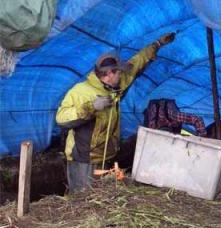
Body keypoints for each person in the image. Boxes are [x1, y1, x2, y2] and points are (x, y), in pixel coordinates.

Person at [56, 33, 175, 191]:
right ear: (108, 75)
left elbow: (135, 66)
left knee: (100, 197)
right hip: (85, 159)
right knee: (82, 200)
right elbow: (61, 118)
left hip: (107, 155)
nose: (122, 74)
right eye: (118, 72)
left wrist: (157, 45)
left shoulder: (114, 88)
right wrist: (90, 107)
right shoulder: (81, 92)